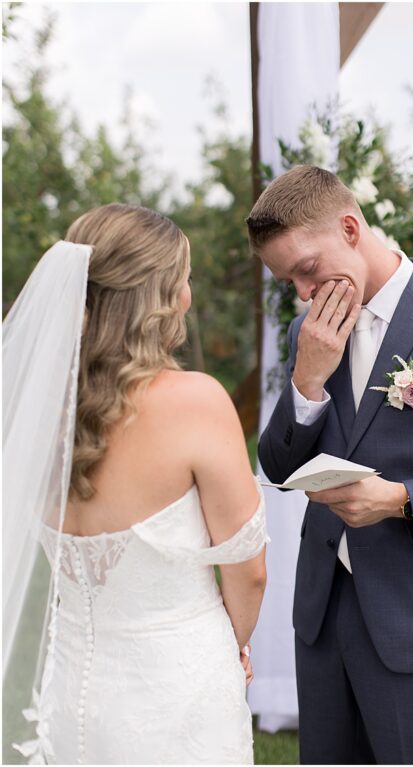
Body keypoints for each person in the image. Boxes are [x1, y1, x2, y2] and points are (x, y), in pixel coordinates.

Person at [249, 165, 413, 764]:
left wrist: (401, 499)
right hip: (326, 611)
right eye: (288, 280)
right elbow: (278, 463)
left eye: (306, 269)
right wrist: (307, 379)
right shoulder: (306, 332)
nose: (303, 293)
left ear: (348, 226)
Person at [3, 204, 268, 764]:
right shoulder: (195, 401)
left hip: (71, 686)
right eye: (185, 279)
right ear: (161, 296)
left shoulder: (34, 407)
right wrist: (233, 646)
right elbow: (249, 571)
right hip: (176, 687)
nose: (189, 294)